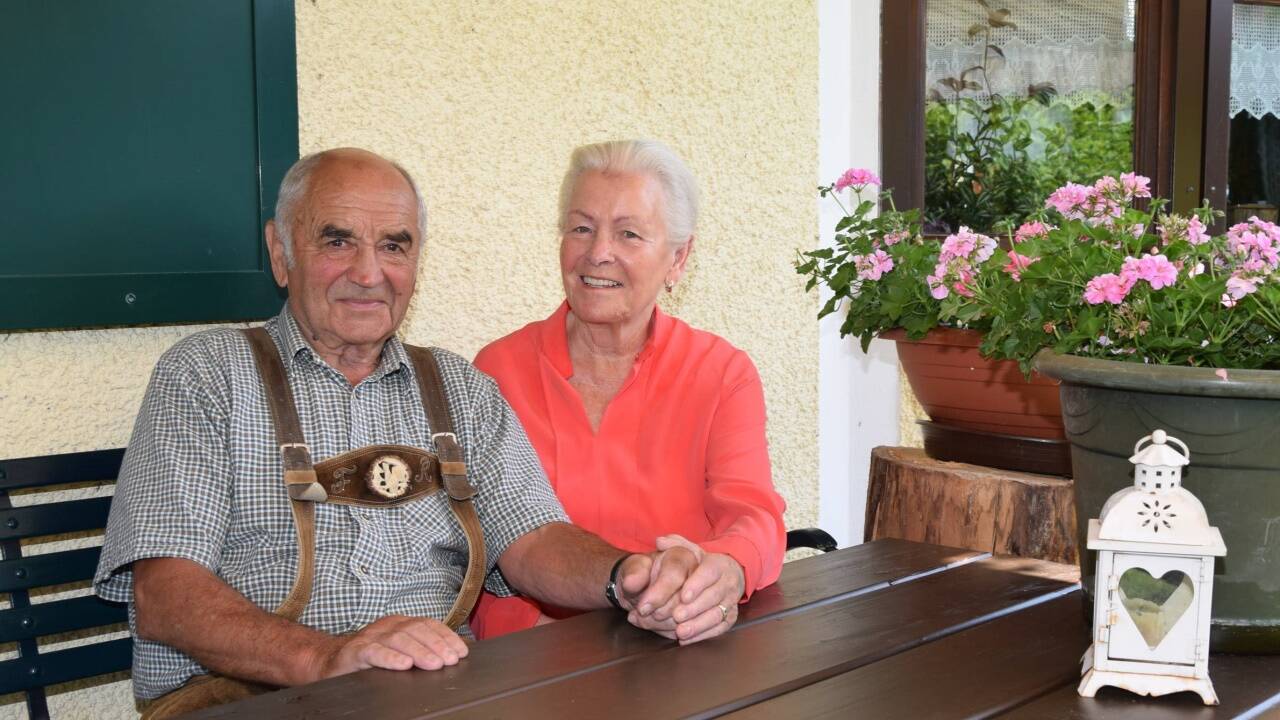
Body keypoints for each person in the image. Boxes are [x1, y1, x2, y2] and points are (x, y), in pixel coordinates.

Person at [93, 148, 701, 710]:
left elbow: (535, 539)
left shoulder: (460, 390)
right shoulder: (206, 375)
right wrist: (327, 658)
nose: (367, 272)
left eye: (394, 246)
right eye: (337, 241)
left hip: (434, 693)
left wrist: (629, 576)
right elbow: (165, 596)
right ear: (281, 253)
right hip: (249, 697)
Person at [469, 140, 787, 646]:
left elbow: (754, 518)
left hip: (673, 651)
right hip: (528, 657)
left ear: (678, 258)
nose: (598, 252)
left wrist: (727, 569)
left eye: (629, 233)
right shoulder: (496, 371)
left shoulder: (721, 373)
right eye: (581, 228)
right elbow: (488, 540)